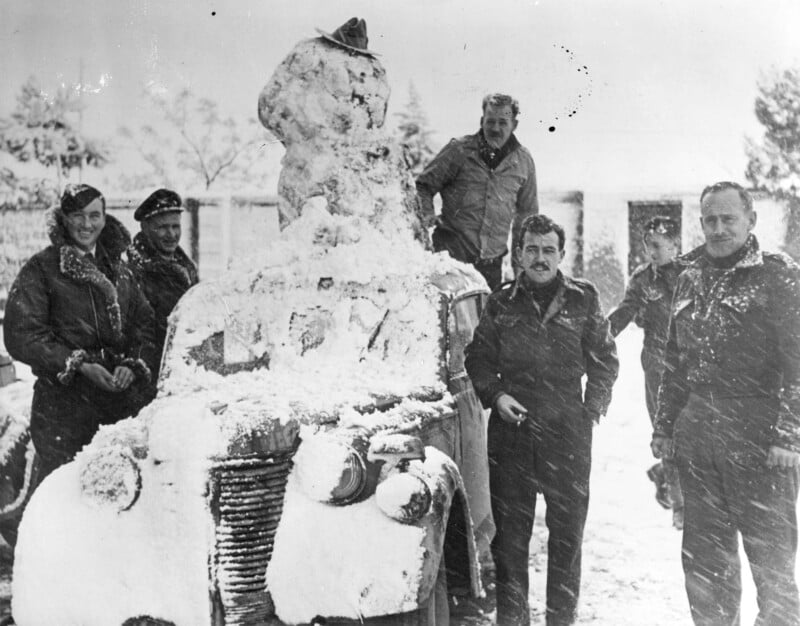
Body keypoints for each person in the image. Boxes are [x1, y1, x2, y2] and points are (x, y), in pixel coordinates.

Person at [652, 181, 800, 626]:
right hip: (698, 435)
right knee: (704, 563)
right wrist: (663, 429)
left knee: (772, 562)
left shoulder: (778, 274)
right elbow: (674, 364)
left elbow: (798, 360)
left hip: (759, 438)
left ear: (751, 221)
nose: (718, 229)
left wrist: (789, 436)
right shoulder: (689, 278)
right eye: (710, 220)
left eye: (728, 219)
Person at [465, 214, 619, 625]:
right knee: (511, 543)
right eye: (531, 249)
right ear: (519, 254)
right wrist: (496, 396)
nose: (539, 258)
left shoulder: (582, 299)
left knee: (567, 537)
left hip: (567, 433)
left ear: (561, 255)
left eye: (548, 250)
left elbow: (605, 360)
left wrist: (591, 408)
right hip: (511, 432)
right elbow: (477, 359)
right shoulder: (500, 302)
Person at [3, 184, 156, 484]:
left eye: (94, 215)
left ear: (105, 217)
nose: (87, 225)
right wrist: (80, 364)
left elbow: (145, 325)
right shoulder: (42, 269)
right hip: (63, 408)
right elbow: (22, 335)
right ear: (63, 218)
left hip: (119, 404)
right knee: (66, 494)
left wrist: (132, 364)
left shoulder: (120, 270)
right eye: (77, 216)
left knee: (123, 494)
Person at [415, 93, 538, 290]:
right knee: (451, 318)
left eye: (502, 122)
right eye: (490, 121)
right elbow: (423, 186)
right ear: (482, 121)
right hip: (452, 259)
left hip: (492, 265)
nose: (495, 128)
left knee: (485, 318)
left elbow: (527, 216)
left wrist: (521, 268)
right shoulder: (459, 150)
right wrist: (427, 218)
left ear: (514, 125)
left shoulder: (523, 162)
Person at [607, 216, 685, 528]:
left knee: (688, 432)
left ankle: (674, 482)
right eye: (646, 245)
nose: (650, 251)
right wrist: (596, 340)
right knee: (666, 433)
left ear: (675, 245)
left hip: (688, 364)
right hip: (656, 366)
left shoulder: (691, 275)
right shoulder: (642, 280)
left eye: (657, 245)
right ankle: (679, 504)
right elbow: (623, 314)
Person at [127, 188, 198, 379]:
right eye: (163, 227)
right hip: (152, 369)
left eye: (176, 226)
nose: (171, 234)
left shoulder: (186, 267)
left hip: (184, 364)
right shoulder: (135, 270)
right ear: (145, 227)